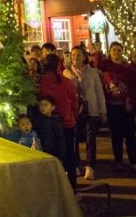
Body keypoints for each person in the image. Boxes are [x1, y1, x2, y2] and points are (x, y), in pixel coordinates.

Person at [96, 42, 136, 173]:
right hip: (112, 105)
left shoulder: (128, 67)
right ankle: (118, 161)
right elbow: (97, 64)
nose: (116, 52)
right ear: (109, 52)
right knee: (116, 135)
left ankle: (133, 161)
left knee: (130, 135)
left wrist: (129, 100)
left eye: (119, 50)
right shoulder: (106, 65)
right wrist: (98, 51)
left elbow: (133, 85)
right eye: (113, 50)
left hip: (126, 106)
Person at [64, 45, 106, 180]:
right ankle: (76, 165)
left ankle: (90, 166)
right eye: (73, 54)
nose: (75, 57)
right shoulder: (66, 72)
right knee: (74, 138)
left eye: (79, 55)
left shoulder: (93, 72)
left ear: (85, 57)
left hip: (91, 109)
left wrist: (102, 110)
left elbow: (99, 92)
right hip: (74, 111)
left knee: (90, 138)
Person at [38, 53, 77, 188]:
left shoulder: (41, 83)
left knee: (51, 154)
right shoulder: (66, 82)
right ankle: (72, 186)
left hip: (48, 125)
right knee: (69, 156)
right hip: (66, 122)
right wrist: (73, 115)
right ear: (59, 65)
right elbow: (74, 102)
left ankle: (54, 187)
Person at [33, 95, 65, 162]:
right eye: (41, 105)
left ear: (52, 107)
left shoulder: (55, 121)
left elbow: (60, 138)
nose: (43, 107)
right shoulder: (36, 120)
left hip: (53, 151)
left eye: (46, 105)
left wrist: (61, 155)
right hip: (40, 150)